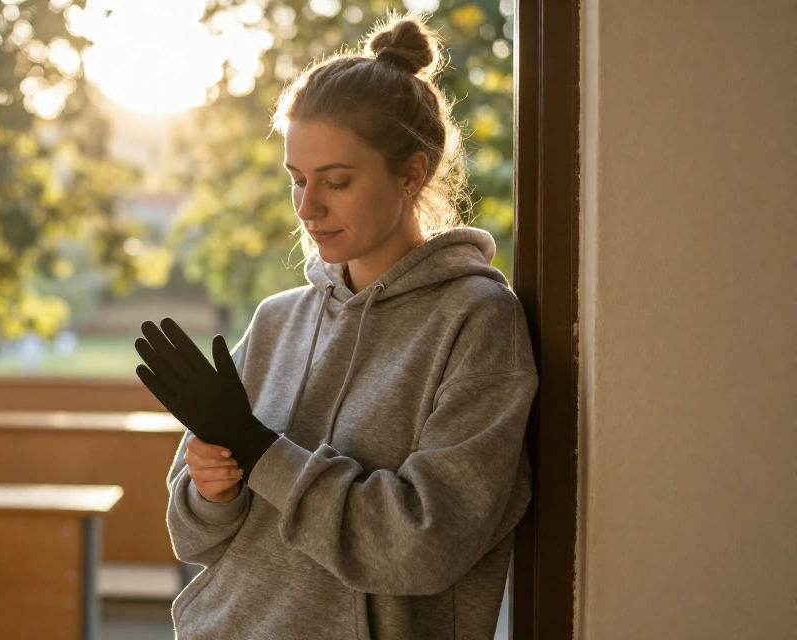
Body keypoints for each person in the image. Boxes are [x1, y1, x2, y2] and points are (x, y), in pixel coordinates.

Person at [133, 12, 537, 640]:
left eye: (336, 181)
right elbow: (191, 536)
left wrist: (261, 450)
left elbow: (423, 544)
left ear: (413, 173)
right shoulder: (278, 321)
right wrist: (211, 490)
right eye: (296, 180)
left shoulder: (476, 322)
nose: (307, 207)